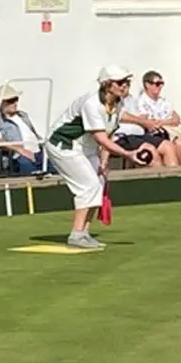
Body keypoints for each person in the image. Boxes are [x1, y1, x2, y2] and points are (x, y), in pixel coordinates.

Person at [46, 66, 147, 250]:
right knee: (88, 186)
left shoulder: (118, 104)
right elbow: (100, 137)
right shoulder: (92, 103)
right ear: (106, 84)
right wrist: (128, 154)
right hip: (64, 145)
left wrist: (104, 161)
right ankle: (76, 234)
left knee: (98, 184)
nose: (125, 86)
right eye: (120, 82)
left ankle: (84, 233)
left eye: (127, 82)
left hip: (86, 148)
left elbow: (107, 135)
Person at [117, 71, 181, 167]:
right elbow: (148, 121)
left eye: (127, 83)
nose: (124, 86)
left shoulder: (158, 101)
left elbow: (176, 119)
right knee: (176, 144)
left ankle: (175, 170)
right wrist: (163, 122)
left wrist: (161, 122)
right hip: (146, 133)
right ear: (147, 85)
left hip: (155, 132)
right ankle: (175, 173)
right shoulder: (141, 100)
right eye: (157, 84)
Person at [0, 83, 44, 176]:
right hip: (17, 157)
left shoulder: (23, 115)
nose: (15, 103)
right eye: (11, 101)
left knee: (58, 165)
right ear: (1, 102)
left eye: (16, 99)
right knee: (27, 169)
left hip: (39, 153)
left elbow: (34, 134)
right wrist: (20, 150)